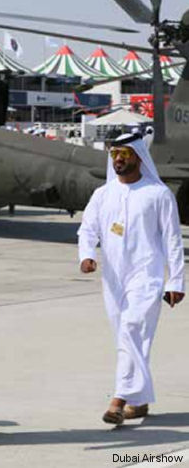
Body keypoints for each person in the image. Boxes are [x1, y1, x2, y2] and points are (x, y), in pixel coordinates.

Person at [78, 132, 185, 425]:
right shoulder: (103, 195)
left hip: (147, 277)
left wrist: (176, 281)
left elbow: (173, 240)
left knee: (131, 329)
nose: (119, 159)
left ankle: (118, 400)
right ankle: (138, 402)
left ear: (139, 157)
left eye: (125, 154)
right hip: (113, 280)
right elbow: (87, 229)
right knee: (128, 338)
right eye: (114, 154)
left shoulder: (158, 194)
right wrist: (86, 255)